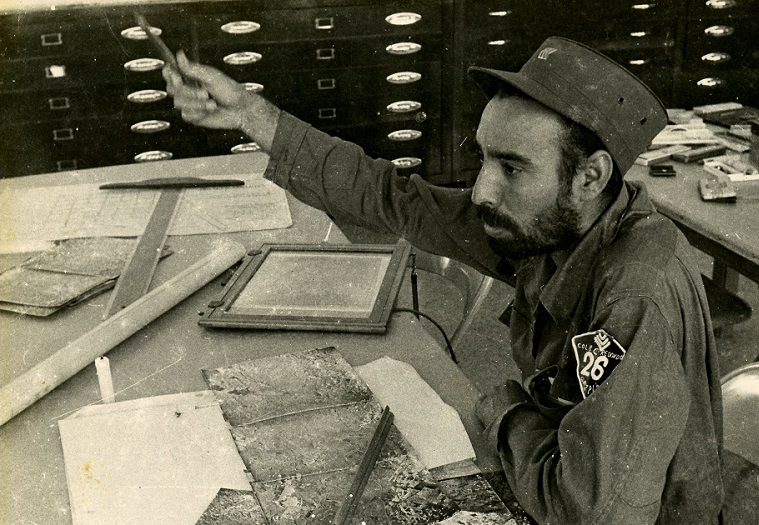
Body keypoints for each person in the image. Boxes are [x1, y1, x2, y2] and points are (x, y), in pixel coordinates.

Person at [163, 37, 724, 524]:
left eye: (511, 167)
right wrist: (249, 112)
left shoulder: (635, 297)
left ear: (590, 176)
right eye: (484, 159)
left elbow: (592, 513)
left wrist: (505, 411)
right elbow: (395, 199)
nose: (482, 191)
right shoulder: (557, 220)